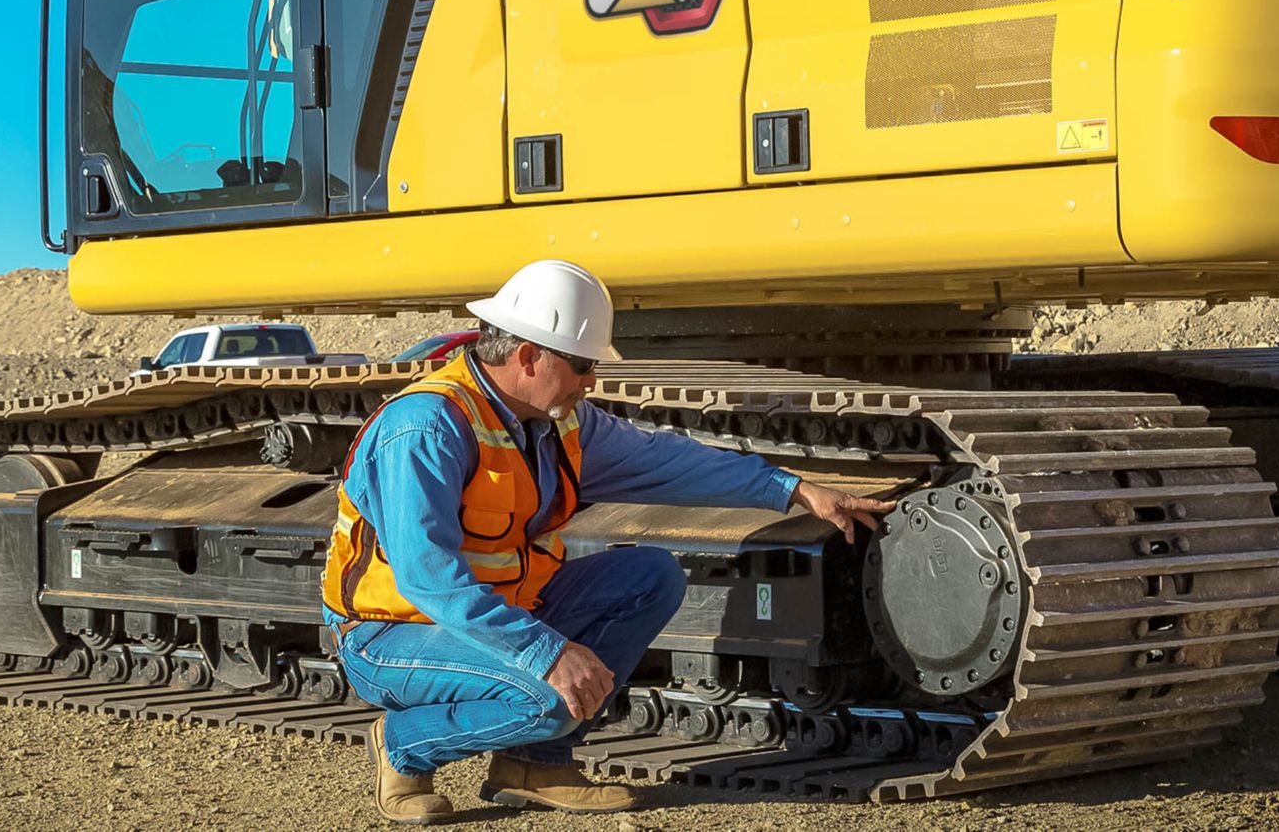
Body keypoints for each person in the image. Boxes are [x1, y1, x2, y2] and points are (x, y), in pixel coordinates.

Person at [320, 259, 893, 823]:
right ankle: (403, 745)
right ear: (528, 356)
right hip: (390, 633)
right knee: (550, 695)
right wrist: (547, 653)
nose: (592, 381)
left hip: (495, 615)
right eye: (583, 365)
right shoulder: (426, 428)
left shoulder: (556, 420)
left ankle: (534, 765)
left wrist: (794, 490)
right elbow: (430, 580)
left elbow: (666, 462)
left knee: (649, 576)